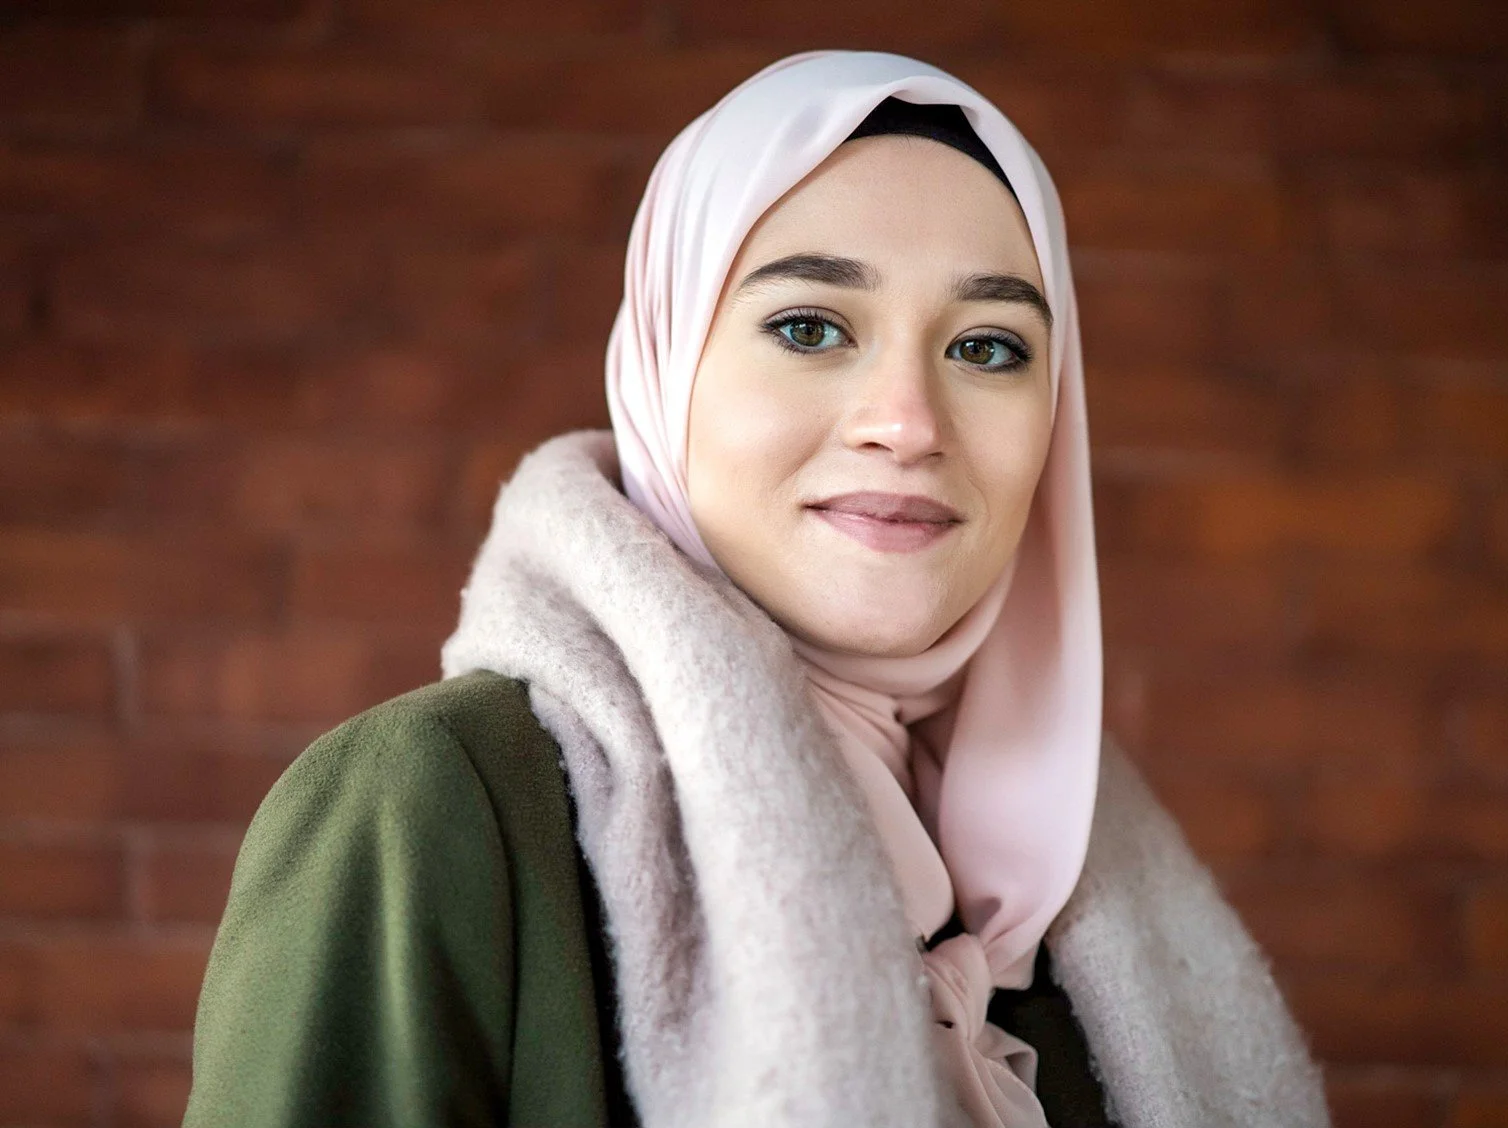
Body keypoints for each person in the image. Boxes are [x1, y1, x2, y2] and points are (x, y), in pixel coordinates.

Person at [181, 50, 1328, 1128]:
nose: (907, 424)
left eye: (986, 347)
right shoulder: (431, 804)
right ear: (667, 368)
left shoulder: (1072, 874)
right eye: (811, 327)